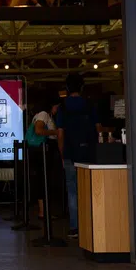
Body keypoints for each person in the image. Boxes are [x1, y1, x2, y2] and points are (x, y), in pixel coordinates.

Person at [57, 74, 101, 239]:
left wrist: (62, 153)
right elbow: (98, 129)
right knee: (90, 189)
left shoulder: (63, 107)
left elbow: (60, 134)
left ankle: (75, 227)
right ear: (82, 87)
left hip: (70, 152)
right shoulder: (90, 105)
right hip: (89, 153)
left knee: (72, 191)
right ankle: (92, 224)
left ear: (67, 88)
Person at [28, 99, 60, 219]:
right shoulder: (44, 114)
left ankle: (43, 211)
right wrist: (56, 132)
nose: (57, 109)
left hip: (39, 151)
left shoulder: (39, 114)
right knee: (44, 179)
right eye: (57, 106)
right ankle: (43, 211)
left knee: (41, 180)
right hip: (43, 150)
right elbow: (38, 130)